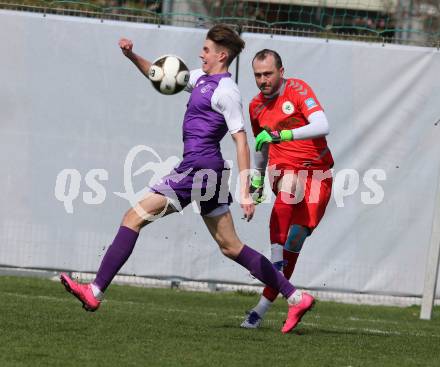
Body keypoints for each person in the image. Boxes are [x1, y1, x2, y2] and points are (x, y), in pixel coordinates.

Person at [60, 27, 314, 334]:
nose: (201, 54)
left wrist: (246, 191)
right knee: (231, 246)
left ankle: (95, 291)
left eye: (206, 50)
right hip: (208, 171)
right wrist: (131, 56)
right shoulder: (201, 79)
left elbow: (242, 142)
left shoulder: (227, 92)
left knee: (133, 217)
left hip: (198, 169)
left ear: (222, 55)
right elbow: (160, 75)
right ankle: (296, 296)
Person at [241, 49, 334, 328]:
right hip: (285, 170)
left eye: (268, 74)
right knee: (289, 186)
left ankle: (262, 309)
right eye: (257, 75)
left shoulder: (297, 89)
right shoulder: (256, 106)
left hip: (318, 174)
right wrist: (256, 178)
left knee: (295, 239)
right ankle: (276, 261)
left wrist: (283, 134)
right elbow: (262, 144)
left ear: (281, 71)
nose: (263, 80)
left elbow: (323, 125)